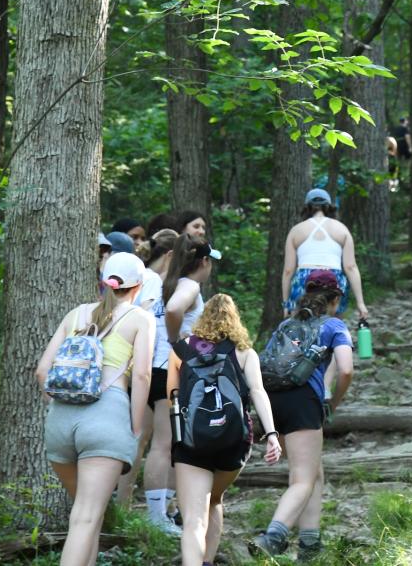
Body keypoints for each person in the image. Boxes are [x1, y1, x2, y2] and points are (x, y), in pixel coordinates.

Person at [35, 253, 155, 566]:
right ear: (137, 286)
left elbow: (41, 372)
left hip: (60, 421)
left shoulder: (76, 314)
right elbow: (142, 376)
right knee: (86, 519)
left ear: (103, 281)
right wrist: (136, 426)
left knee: (88, 514)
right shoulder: (140, 318)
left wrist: (60, 406)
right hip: (106, 419)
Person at [168, 294, 282, 566]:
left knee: (194, 519)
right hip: (233, 442)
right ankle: (207, 561)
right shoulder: (244, 352)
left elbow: (172, 396)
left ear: (203, 317)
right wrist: (273, 435)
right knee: (215, 499)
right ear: (235, 319)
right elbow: (258, 392)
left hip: (191, 443)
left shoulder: (181, 349)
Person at [250, 270, 354, 561]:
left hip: (273, 399)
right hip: (303, 400)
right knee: (302, 478)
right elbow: (346, 369)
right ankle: (272, 537)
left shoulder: (287, 323)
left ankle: (310, 544)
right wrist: (334, 402)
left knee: (311, 471)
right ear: (335, 299)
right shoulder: (334, 325)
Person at [115, 229, 181, 530]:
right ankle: (154, 513)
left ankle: (122, 507)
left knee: (138, 440)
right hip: (156, 368)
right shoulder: (155, 283)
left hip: (136, 367)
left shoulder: (142, 279)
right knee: (160, 443)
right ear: (169, 255)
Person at [281, 188, 369, 321]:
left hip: (305, 279)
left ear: (307, 207)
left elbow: (288, 271)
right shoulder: (342, 229)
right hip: (333, 279)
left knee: (299, 325)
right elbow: (350, 267)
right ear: (329, 207)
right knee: (333, 322)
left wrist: (286, 304)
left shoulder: (296, 231)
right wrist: (360, 303)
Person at [164, 235, 221, 344]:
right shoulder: (190, 286)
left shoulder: (171, 283)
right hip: (175, 358)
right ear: (205, 261)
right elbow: (173, 309)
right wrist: (174, 340)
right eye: (211, 261)